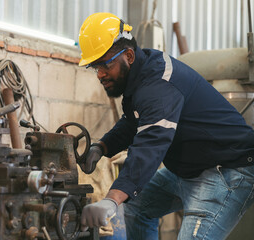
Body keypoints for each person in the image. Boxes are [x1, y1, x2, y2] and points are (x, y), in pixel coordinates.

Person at [78, 12, 254, 239]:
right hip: (189, 171)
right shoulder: (141, 76)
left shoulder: (158, 84)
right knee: (136, 206)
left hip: (228, 170)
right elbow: (134, 122)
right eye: (95, 67)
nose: (100, 74)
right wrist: (101, 146)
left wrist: (112, 198)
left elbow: (151, 143)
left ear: (129, 55)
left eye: (105, 64)